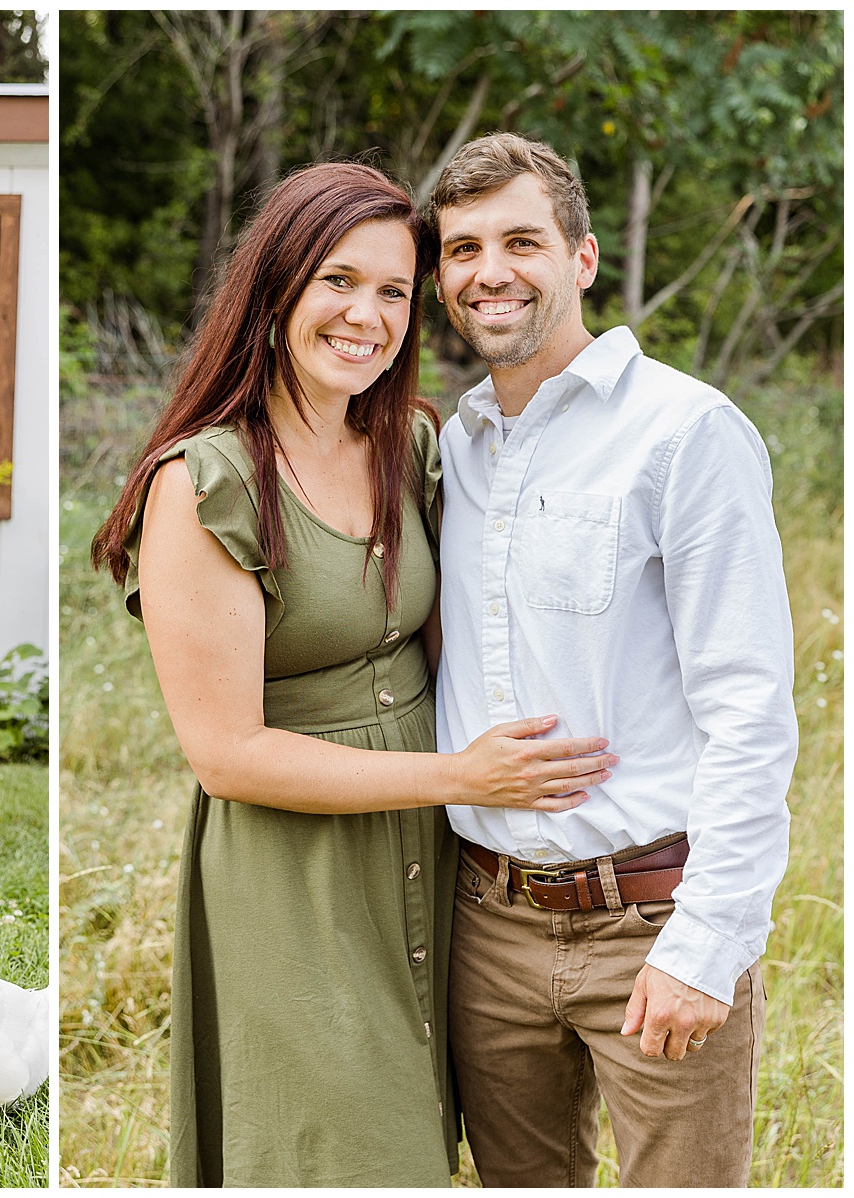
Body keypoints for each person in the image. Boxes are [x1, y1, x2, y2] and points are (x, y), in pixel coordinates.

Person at [90, 162, 616, 1188]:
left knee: (426, 1141)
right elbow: (225, 754)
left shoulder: (406, 443)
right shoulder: (204, 483)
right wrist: (459, 777)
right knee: (340, 1152)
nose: (366, 315)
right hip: (297, 877)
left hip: (430, 864)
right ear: (276, 287)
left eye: (391, 290)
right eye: (339, 280)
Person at [427, 132, 797, 1187]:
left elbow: (746, 706)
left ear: (581, 258)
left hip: (653, 917)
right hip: (486, 924)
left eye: (518, 240)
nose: (487, 271)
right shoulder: (451, 448)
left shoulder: (684, 433)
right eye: (460, 250)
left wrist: (707, 939)